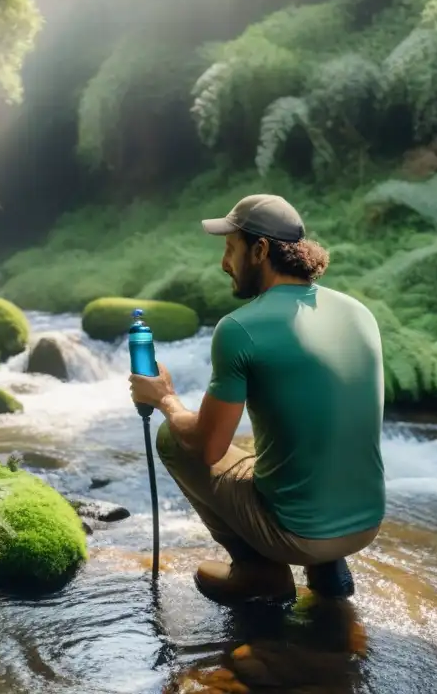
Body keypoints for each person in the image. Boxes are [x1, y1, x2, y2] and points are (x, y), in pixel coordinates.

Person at [129, 193, 385, 605]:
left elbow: (208, 449)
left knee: (172, 438)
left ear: (261, 250)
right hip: (366, 523)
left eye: (231, 249)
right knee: (274, 446)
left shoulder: (239, 329)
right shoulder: (359, 313)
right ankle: (330, 571)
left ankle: (259, 572)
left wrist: (166, 399)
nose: (224, 263)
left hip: (298, 535)